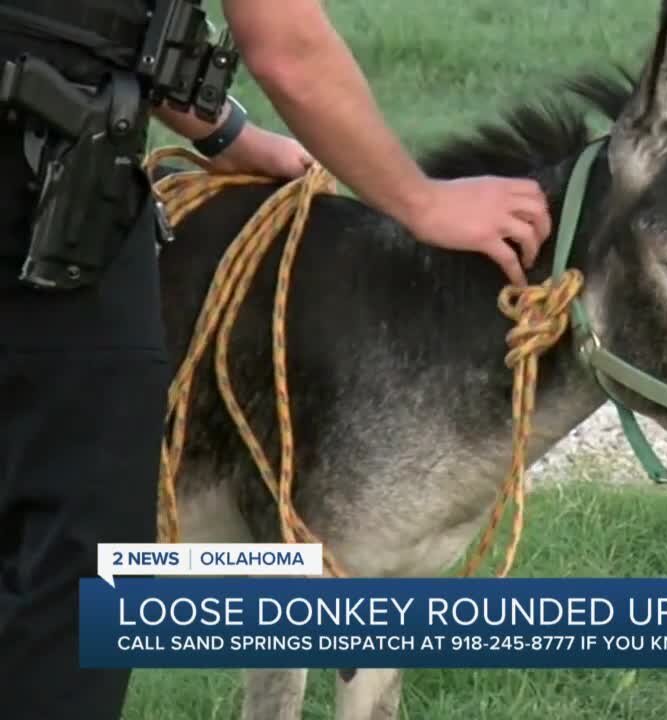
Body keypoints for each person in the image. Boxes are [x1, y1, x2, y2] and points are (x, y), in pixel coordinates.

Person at [0, 1, 553, 718]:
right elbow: (285, 43)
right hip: (37, 193)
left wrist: (222, 129)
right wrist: (420, 202)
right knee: (73, 556)